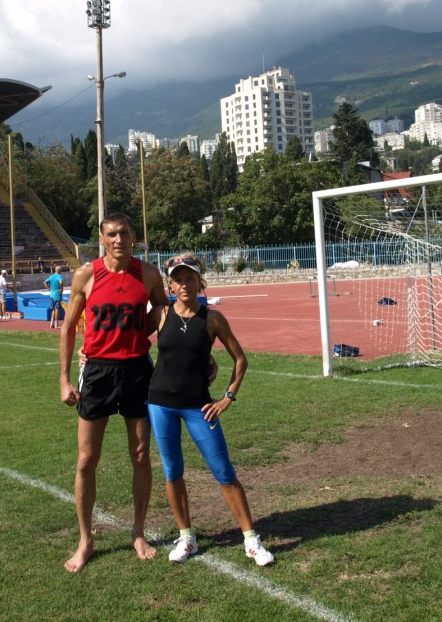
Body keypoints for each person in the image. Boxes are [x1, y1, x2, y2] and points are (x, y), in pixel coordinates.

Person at [58, 212, 169, 573]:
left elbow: (163, 313)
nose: (118, 239)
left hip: (137, 370)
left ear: (134, 237)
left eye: (124, 233)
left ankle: (138, 532)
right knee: (86, 459)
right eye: (112, 234)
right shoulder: (85, 275)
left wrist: (142, 331)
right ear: (102, 239)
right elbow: (68, 328)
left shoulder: (148, 274)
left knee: (141, 454)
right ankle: (85, 541)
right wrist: (64, 379)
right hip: (97, 373)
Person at [149, 254, 274, 567]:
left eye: (190, 278)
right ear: (170, 285)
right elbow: (127, 340)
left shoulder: (212, 318)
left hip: (199, 407)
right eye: (178, 279)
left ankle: (251, 540)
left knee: (224, 472)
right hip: (160, 404)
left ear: (200, 282)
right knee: (172, 471)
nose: (184, 284)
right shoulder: (160, 314)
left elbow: (241, 359)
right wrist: (88, 353)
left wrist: (227, 397)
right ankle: (186, 537)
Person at [46, 264, 64, 329]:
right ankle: (56, 324)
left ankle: (51, 323)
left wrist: (48, 288)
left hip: (52, 295)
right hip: (57, 295)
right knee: (57, 309)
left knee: (53, 309)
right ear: (60, 271)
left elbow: (45, 282)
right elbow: (61, 282)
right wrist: (61, 289)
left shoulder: (51, 276)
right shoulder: (59, 276)